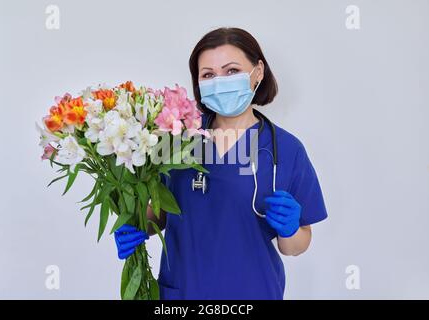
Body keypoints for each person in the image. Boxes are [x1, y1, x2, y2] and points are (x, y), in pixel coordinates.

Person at [113, 27, 328, 299]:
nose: (220, 81)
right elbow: (160, 212)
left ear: (258, 72)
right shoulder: (176, 139)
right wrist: (135, 223)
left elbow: (296, 246)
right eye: (208, 75)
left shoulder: (286, 150)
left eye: (232, 71)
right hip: (183, 293)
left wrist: (291, 228)